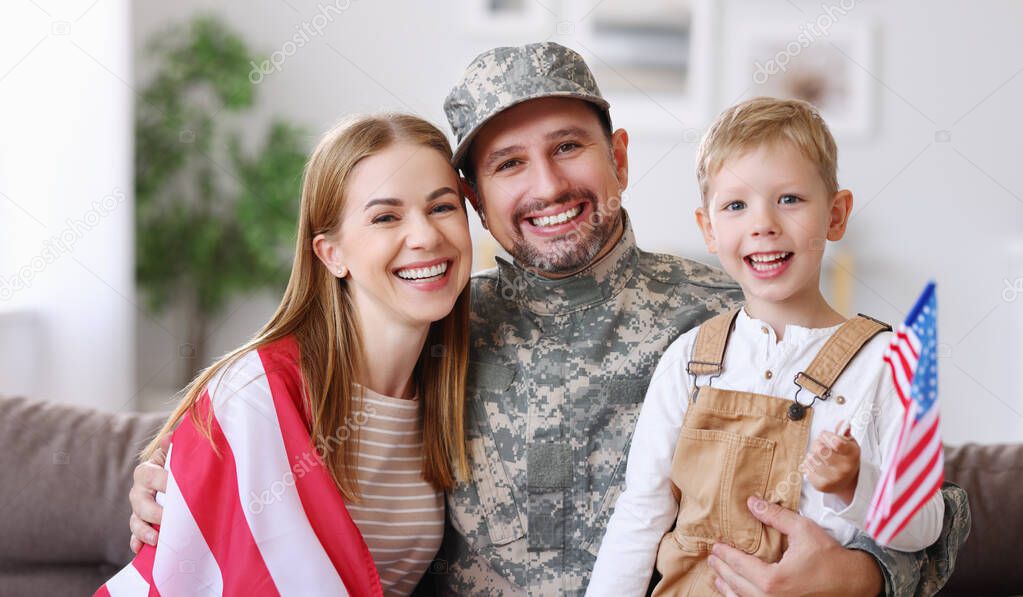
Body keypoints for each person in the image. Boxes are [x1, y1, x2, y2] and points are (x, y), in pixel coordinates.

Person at [127, 43, 970, 596]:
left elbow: (918, 493)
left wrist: (861, 574)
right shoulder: (435, 329)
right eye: (506, 163)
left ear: (621, 158)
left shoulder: (733, 316)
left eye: (568, 146)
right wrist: (164, 479)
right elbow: (266, 429)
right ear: (475, 201)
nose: (547, 185)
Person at [586, 97, 950, 597]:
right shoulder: (688, 362)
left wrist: (855, 485)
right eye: (736, 205)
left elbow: (926, 526)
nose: (764, 224)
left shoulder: (885, 365)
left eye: (790, 199)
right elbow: (641, 512)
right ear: (709, 229)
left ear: (836, 215)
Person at [105, 113, 474, 596]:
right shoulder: (257, 394)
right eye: (386, 216)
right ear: (330, 254)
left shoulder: (461, 371)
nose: (425, 236)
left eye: (442, 207)